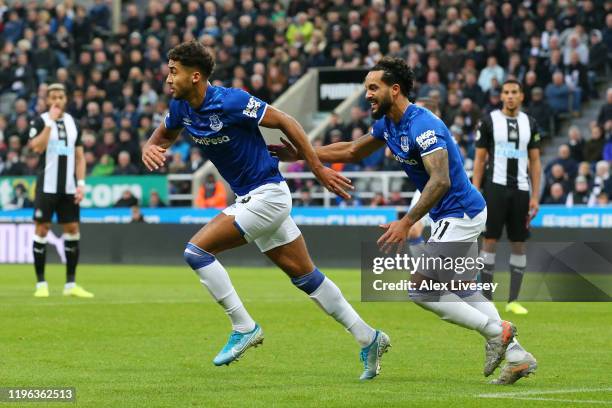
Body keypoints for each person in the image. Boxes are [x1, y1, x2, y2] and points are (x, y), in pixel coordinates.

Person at [270, 57, 536, 385]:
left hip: (461, 212)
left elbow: (441, 180)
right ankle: (517, 355)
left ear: (394, 90)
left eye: (373, 87)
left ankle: (498, 332)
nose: (366, 94)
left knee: (421, 289)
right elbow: (353, 150)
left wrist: (406, 221)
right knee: (463, 289)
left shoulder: (423, 126)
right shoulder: (388, 123)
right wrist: (305, 153)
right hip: (453, 213)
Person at [141, 41, 388, 380]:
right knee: (306, 277)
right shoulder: (181, 107)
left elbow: (286, 121)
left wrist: (318, 168)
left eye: (174, 72)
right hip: (255, 198)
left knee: (196, 252)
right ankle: (369, 337)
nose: (168, 78)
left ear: (195, 76)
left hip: (267, 195)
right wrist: (150, 147)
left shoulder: (231, 101)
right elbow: (161, 136)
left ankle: (243, 326)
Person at [472, 79, 542, 316]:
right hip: (495, 188)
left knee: (519, 243)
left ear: (522, 96)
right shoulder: (489, 121)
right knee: (489, 240)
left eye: (514, 92)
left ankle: (513, 300)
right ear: (501, 96)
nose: (510, 96)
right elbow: (480, 159)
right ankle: (486, 299)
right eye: (506, 92)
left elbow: (535, 161)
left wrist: (536, 195)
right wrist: (475, 190)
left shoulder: (530, 123)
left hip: (522, 190)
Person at [27, 83, 93, 298]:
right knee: (42, 229)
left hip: (69, 187)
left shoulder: (74, 123)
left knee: (72, 229)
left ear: (66, 100)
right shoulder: (40, 121)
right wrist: (50, 124)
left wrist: (81, 185)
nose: (57, 101)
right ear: (47, 100)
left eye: (60, 97)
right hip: (46, 186)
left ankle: (70, 284)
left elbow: (80, 157)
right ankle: (41, 284)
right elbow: (36, 147)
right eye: (53, 97)